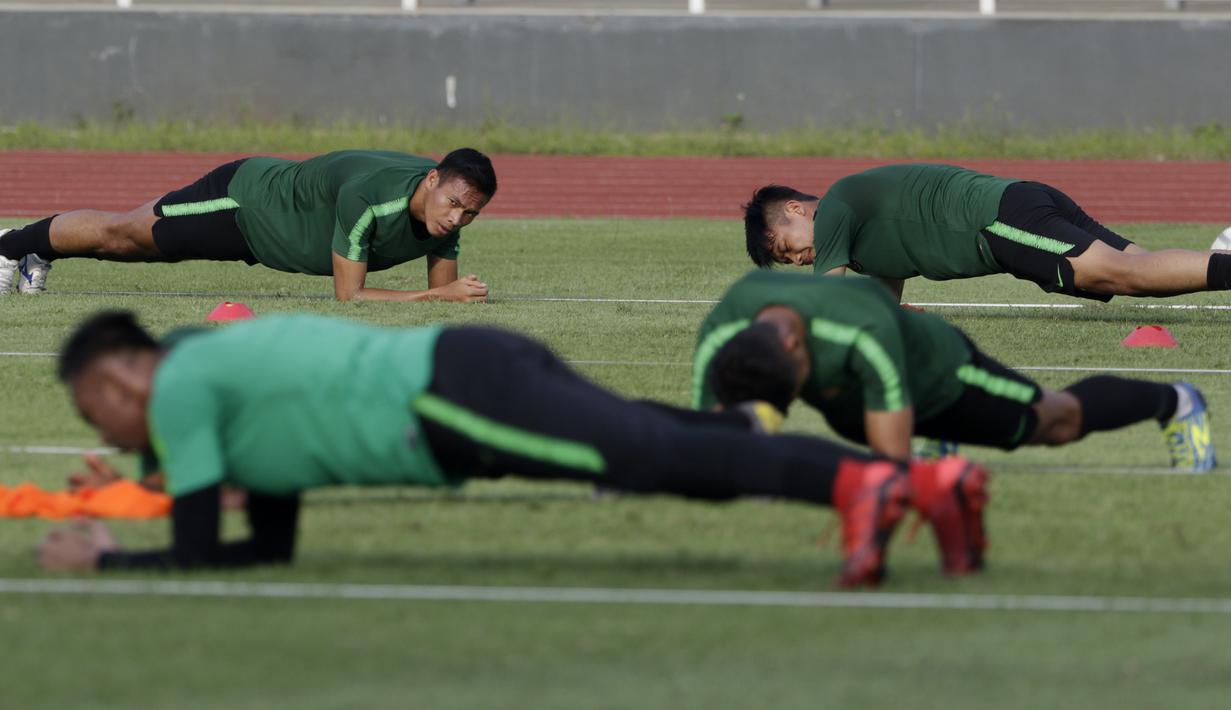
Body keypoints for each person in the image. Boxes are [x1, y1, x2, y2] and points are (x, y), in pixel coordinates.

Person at [39, 311, 992, 586]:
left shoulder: (186, 386)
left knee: (652, 459)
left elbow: (199, 546)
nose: (106, 436)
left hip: (451, 397)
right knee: (660, 450)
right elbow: (267, 551)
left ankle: (869, 485)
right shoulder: (224, 393)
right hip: (467, 373)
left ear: (120, 381)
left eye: (97, 415)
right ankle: (926, 483)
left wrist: (109, 557)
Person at [694, 271, 1216, 471]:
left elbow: (891, 470)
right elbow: (704, 427)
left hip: (940, 377)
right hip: (851, 408)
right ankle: (936, 446)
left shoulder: (861, 327)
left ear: (793, 341)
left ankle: (1176, 402)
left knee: (1056, 422)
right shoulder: (726, 328)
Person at [0, 148, 496, 302]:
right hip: (248, 202)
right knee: (124, 236)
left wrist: (443, 298)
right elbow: (351, 297)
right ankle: (12, 245)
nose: (456, 219)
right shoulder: (370, 197)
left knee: (129, 236)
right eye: (452, 203)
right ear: (431, 180)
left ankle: (37, 253)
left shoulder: (449, 222)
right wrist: (435, 297)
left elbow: (444, 301)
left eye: (469, 213)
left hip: (268, 238)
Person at [742, 163, 1231, 302]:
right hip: (1014, 201)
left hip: (995, 219)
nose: (798, 260)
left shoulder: (835, 207)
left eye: (787, 248)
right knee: (1140, 266)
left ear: (796, 210)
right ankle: (1225, 251)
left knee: (1122, 274)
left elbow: (832, 302)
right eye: (788, 262)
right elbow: (886, 280)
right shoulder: (857, 234)